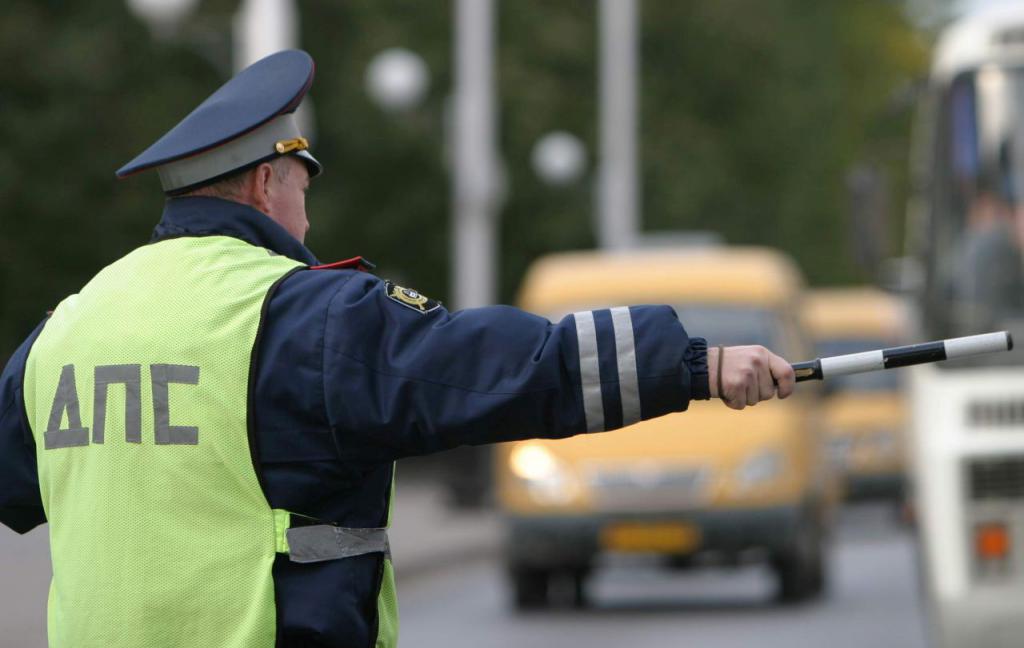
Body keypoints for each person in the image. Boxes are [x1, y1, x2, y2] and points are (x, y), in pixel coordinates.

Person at [0, 50, 795, 648]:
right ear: (264, 186)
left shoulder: (68, 327)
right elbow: (497, 368)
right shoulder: (302, 317)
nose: (306, 223)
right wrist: (694, 367)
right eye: (303, 192)